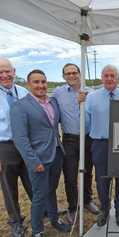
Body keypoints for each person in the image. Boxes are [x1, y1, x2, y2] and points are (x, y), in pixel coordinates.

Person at [10, 70, 71, 237]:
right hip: (38, 158)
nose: (41, 85)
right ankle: (37, 230)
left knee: (52, 190)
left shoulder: (53, 102)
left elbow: (53, 127)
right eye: (36, 82)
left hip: (56, 153)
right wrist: (33, 161)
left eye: (43, 82)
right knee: (39, 195)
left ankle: (54, 219)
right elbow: (20, 138)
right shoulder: (20, 106)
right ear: (29, 85)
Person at [52, 63, 99, 224]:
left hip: (88, 137)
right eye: (68, 73)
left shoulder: (91, 93)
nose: (71, 75)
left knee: (87, 171)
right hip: (69, 139)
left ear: (80, 73)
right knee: (70, 175)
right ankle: (73, 207)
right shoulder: (58, 92)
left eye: (74, 72)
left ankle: (86, 200)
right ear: (64, 76)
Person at [86, 65, 119, 227]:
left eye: (112, 75)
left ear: (118, 78)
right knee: (102, 179)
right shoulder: (91, 97)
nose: (109, 78)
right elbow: (87, 122)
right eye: (106, 75)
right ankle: (104, 209)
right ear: (102, 78)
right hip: (100, 143)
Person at [0, 58, 32, 236]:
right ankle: (16, 222)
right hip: (4, 147)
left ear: (14, 71)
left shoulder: (23, 92)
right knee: (9, 187)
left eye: (7, 71)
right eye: (0, 72)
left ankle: (41, 211)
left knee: (33, 182)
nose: (4, 75)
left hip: (26, 145)